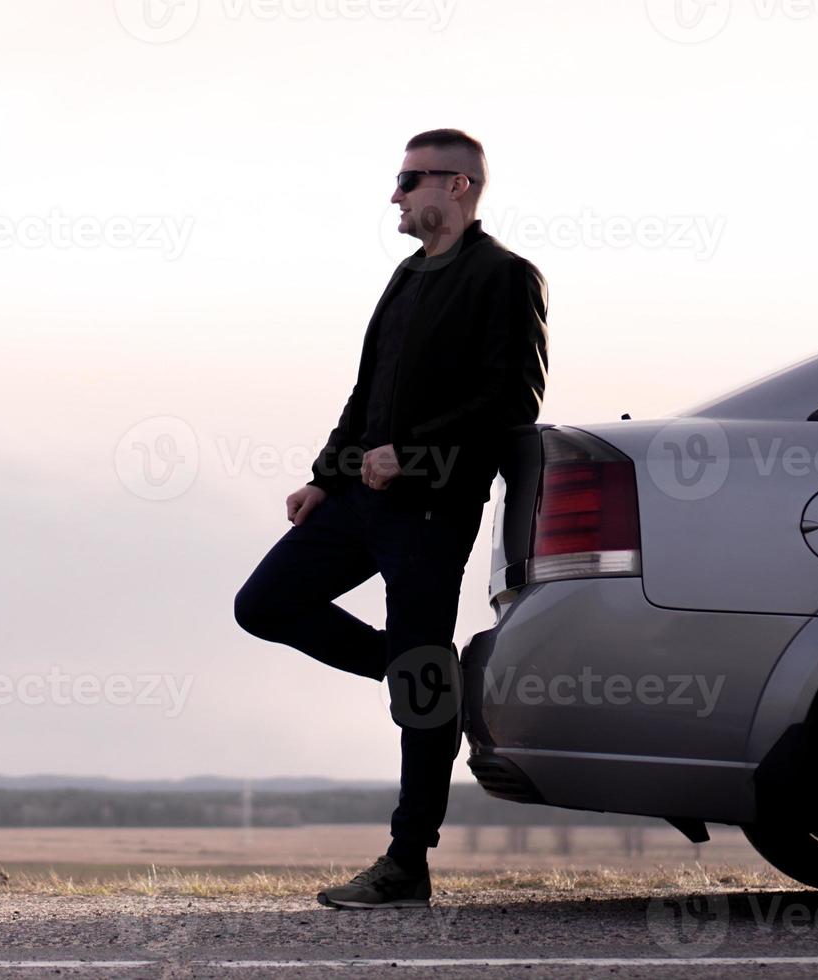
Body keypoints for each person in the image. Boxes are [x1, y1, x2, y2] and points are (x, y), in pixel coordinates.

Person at [233, 128, 549, 909]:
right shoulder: (407, 276)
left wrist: (413, 453)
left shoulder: (505, 277)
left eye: (409, 181)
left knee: (418, 677)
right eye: (399, 180)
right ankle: (429, 680)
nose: (396, 197)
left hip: (433, 505)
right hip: (356, 500)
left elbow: (513, 403)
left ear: (459, 185)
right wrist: (324, 476)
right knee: (265, 605)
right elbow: (366, 390)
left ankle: (407, 862)